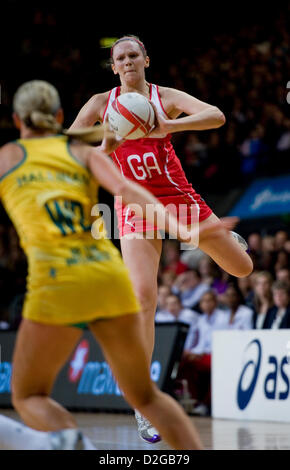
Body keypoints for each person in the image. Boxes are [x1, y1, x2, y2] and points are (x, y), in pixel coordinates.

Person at [0, 80, 237, 451]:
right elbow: (130, 194)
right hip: (106, 272)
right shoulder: (84, 154)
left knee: (28, 395)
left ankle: (76, 446)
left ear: (16, 120)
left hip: (56, 281)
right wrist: (184, 230)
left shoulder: (10, 157)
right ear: (60, 116)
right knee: (147, 397)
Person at [70, 34, 253, 440]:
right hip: (133, 205)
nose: (129, 61)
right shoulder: (101, 104)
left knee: (242, 270)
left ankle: (220, 239)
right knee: (143, 298)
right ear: (114, 66)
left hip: (177, 197)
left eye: (135, 54)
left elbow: (217, 115)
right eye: (121, 57)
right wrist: (106, 144)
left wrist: (169, 124)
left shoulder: (163, 96)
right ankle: (142, 402)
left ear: (146, 60)